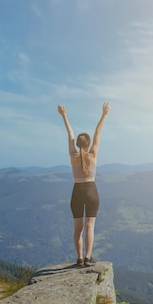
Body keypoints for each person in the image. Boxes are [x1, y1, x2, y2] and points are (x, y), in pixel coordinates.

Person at [57, 102, 110, 267]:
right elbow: (98, 132)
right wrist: (104, 114)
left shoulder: (73, 155)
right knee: (90, 226)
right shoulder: (93, 155)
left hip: (77, 191)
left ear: (78, 144)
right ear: (87, 144)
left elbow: (70, 133)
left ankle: (79, 258)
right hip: (91, 190)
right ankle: (88, 257)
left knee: (78, 228)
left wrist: (64, 115)